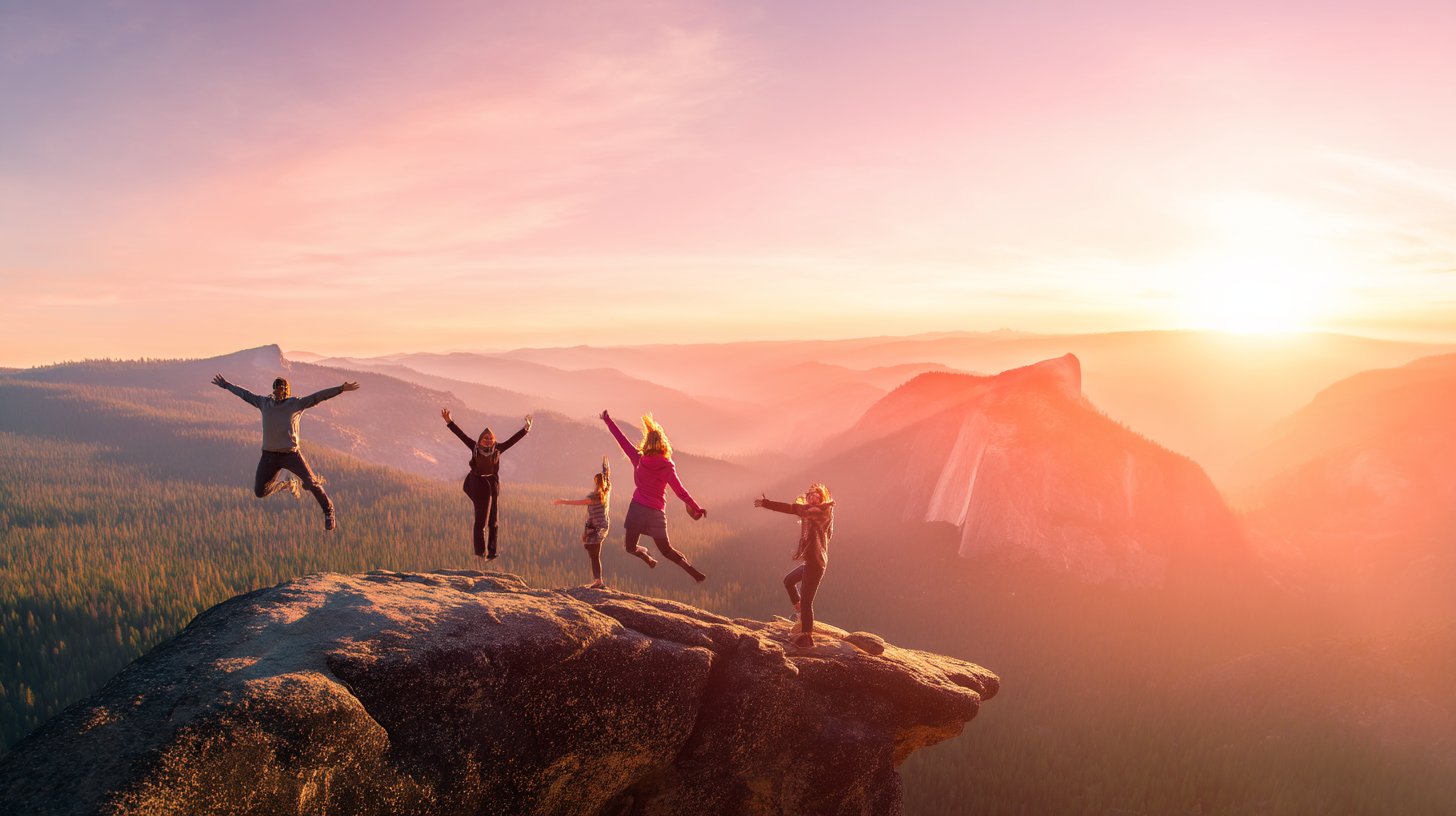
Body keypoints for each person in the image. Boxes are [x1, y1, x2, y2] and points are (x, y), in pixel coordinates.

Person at [211, 373, 360, 531]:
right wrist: (227, 385)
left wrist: (340, 389)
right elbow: (245, 395)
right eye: (277, 388)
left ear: (287, 391)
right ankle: (287, 484)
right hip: (269, 456)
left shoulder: (295, 404)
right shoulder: (264, 403)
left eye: (282, 388)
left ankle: (328, 511)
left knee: (311, 483)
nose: (279, 391)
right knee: (260, 492)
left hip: (291, 455)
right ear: (273, 390)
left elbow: (318, 397)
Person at [601, 409, 707, 582]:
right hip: (656, 513)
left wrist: (608, 420)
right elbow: (680, 491)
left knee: (630, 547)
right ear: (663, 443)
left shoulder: (638, 458)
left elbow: (622, 440)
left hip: (637, 509)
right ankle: (692, 572)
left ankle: (646, 557)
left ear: (646, 442)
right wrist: (696, 507)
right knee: (667, 550)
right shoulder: (667, 466)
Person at [442, 408, 531, 559]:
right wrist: (449, 422)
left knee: (494, 520)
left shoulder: (498, 448)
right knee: (481, 519)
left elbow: (513, 440)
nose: (488, 441)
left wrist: (526, 428)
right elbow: (461, 435)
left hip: (493, 483)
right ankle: (480, 552)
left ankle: (492, 552)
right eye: (486, 438)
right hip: (478, 482)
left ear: (494, 439)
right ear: (480, 439)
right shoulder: (474, 447)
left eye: (491, 438)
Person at [754, 483, 835, 648]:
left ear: (821, 498)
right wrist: (766, 503)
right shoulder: (807, 511)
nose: (812, 498)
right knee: (789, 581)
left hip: (816, 563)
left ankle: (807, 637)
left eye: (816, 496)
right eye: (810, 496)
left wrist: (765, 503)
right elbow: (790, 508)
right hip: (811, 561)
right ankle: (800, 615)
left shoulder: (823, 512)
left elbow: (792, 508)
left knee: (807, 602)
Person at [553, 457, 612, 589]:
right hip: (601, 527)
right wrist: (606, 469)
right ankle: (598, 580)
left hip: (596, 529)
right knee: (594, 552)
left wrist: (563, 501)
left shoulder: (594, 497)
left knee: (593, 554)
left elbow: (578, 503)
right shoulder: (606, 493)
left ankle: (598, 581)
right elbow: (608, 480)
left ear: (596, 483)